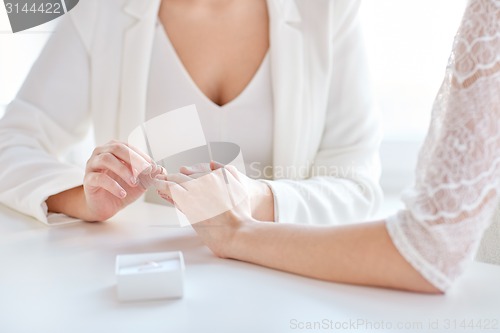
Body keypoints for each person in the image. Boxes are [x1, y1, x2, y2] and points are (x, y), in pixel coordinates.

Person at [158, 0, 500, 293]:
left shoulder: (328, 11)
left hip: (283, 293)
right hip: (149, 279)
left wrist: (247, 215)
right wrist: (102, 207)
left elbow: (423, 240)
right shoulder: (108, 13)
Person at [0, 0, 382, 225]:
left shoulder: (327, 10)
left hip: (284, 284)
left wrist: (254, 200)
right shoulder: (103, 10)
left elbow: (358, 185)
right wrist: (87, 199)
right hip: (146, 286)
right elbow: (11, 144)